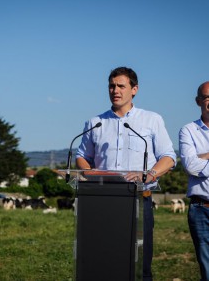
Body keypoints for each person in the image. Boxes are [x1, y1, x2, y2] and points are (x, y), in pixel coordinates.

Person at [76, 66, 176, 281]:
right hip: (102, 202)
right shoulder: (95, 123)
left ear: (134, 89)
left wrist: (148, 175)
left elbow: (168, 157)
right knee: (104, 261)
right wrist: (90, 173)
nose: (115, 90)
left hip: (139, 201)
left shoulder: (151, 120)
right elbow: (82, 156)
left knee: (140, 266)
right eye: (111, 86)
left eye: (121, 86)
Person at [179, 81, 209, 281]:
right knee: (207, 270)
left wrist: (203, 157)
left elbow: (197, 165)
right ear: (198, 101)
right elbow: (190, 166)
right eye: (207, 98)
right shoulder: (188, 130)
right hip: (201, 209)